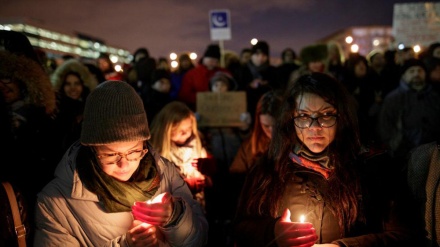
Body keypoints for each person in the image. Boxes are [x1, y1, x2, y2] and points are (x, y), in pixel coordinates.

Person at [232, 72, 422, 247]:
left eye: (326, 115)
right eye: (304, 116)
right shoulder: (269, 170)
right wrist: (272, 232)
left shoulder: (372, 168)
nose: (315, 127)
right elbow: (240, 229)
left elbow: (404, 235)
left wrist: (343, 246)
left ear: (342, 117)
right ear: (291, 118)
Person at [33, 81, 208, 246]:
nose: (124, 165)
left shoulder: (164, 173)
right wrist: (124, 244)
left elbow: (200, 238)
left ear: (144, 144)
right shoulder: (55, 202)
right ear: (92, 149)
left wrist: (176, 217)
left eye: (133, 152)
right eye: (110, 155)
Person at [149, 101, 213, 213]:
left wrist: (208, 174)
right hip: (173, 211)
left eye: (189, 129)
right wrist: (185, 186)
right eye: (181, 131)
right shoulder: (156, 153)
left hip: (198, 208)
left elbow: (210, 179)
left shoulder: (198, 145)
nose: (186, 133)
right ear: (166, 129)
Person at [378, 58, 440, 167]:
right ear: (404, 75)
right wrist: (396, 146)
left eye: (420, 70)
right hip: (405, 155)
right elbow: (386, 126)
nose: (416, 74)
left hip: (434, 154)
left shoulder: (434, 95)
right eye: (411, 71)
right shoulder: (394, 99)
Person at [178, 44, 230, 111]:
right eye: (211, 60)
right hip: (198, 109)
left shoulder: (224, 73)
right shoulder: (192, 74)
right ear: (204, 59)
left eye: (216, 61)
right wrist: (204, 98)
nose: (213, 63)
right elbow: (185, 95)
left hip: (222, 109)